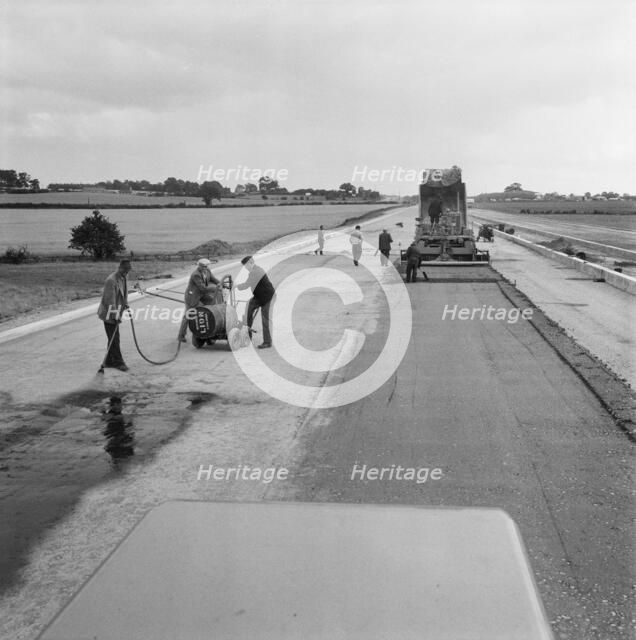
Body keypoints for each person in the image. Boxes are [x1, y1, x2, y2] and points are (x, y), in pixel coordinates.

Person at [97, 259, 132, 371]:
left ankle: (108, 361)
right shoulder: (111, 281)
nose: (127, 273)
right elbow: (109, 301)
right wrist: (115, 316)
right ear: (120, 268)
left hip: (116, 311)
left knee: (112, 337)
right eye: (125, 270)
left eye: (128, 271)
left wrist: (125, 304)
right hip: (108, 313)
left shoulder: (124, 277)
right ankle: (118, 362)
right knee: (115, 338)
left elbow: (124, 292)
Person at [237, 256, 275, 349]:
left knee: (265, 319)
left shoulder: (255, 272)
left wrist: (236, 286)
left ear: (251, 263)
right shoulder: (254, 270)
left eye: (246, 266)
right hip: (258, 297)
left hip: (267, 297)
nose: (245, 268)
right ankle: (247, 335)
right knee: (248, 310)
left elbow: (246, 285)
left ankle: (267, 342)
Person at [178, 258, 221, 342]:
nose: (205, 268)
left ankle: (209, 327)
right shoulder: (196, 275)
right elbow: (203, 288)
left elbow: (213, 279)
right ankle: (181, 335)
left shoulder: (207, 271)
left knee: (211, 302)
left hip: (201, 294)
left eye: (206, 266)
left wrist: (220, 283)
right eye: (203, 267)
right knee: (189, 314)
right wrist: (215, 287)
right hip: (192, 296)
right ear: (199, 266)